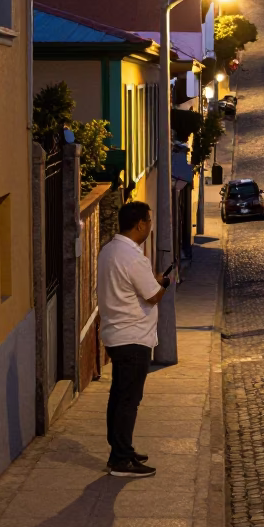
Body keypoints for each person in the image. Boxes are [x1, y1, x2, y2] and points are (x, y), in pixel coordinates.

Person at [97, 200, 170, 478]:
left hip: (116, 334)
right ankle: (121, 459)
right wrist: (163, 282)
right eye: (149, 222)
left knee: (118, 396)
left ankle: (120, 449)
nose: (151, 226)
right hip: (133, 337)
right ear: (140, 224)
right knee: (129, 399)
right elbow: (152, 294)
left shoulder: (109, 251)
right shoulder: (133, 257)